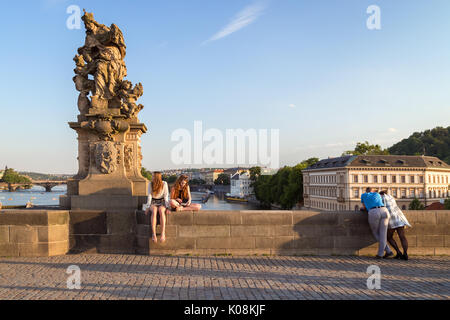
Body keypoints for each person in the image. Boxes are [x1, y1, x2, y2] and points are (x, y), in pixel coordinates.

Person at [361, 187, 394, 259]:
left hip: (374, 212)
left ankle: (384, 252)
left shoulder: (363, 195)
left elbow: (364, 207)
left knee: (375, 232)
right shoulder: (377, 194)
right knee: (383, 234)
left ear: (366, 191)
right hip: (384, 210)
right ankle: (386, 252)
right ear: (372, 190)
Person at [379, 191, 412, 260]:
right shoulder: (391, 197)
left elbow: (381, 208)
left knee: (389, 237)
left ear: (381, 194)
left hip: (391, 219)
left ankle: (398, 252)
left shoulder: (381, 198)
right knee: (402, 236)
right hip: (399, 217)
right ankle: (405, 253)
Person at [144, 172, 169, 243]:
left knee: (161, 211)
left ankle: (163, 233)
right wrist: (147, 207)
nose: (151, 177)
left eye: (152, 176)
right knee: (154, 211)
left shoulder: (164, 184)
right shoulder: (150, 184)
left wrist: (167, 207)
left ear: (156, 177)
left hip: (162, 201)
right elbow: (149, 196)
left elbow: (166, 196)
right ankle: (153, 234)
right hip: (153, 202)